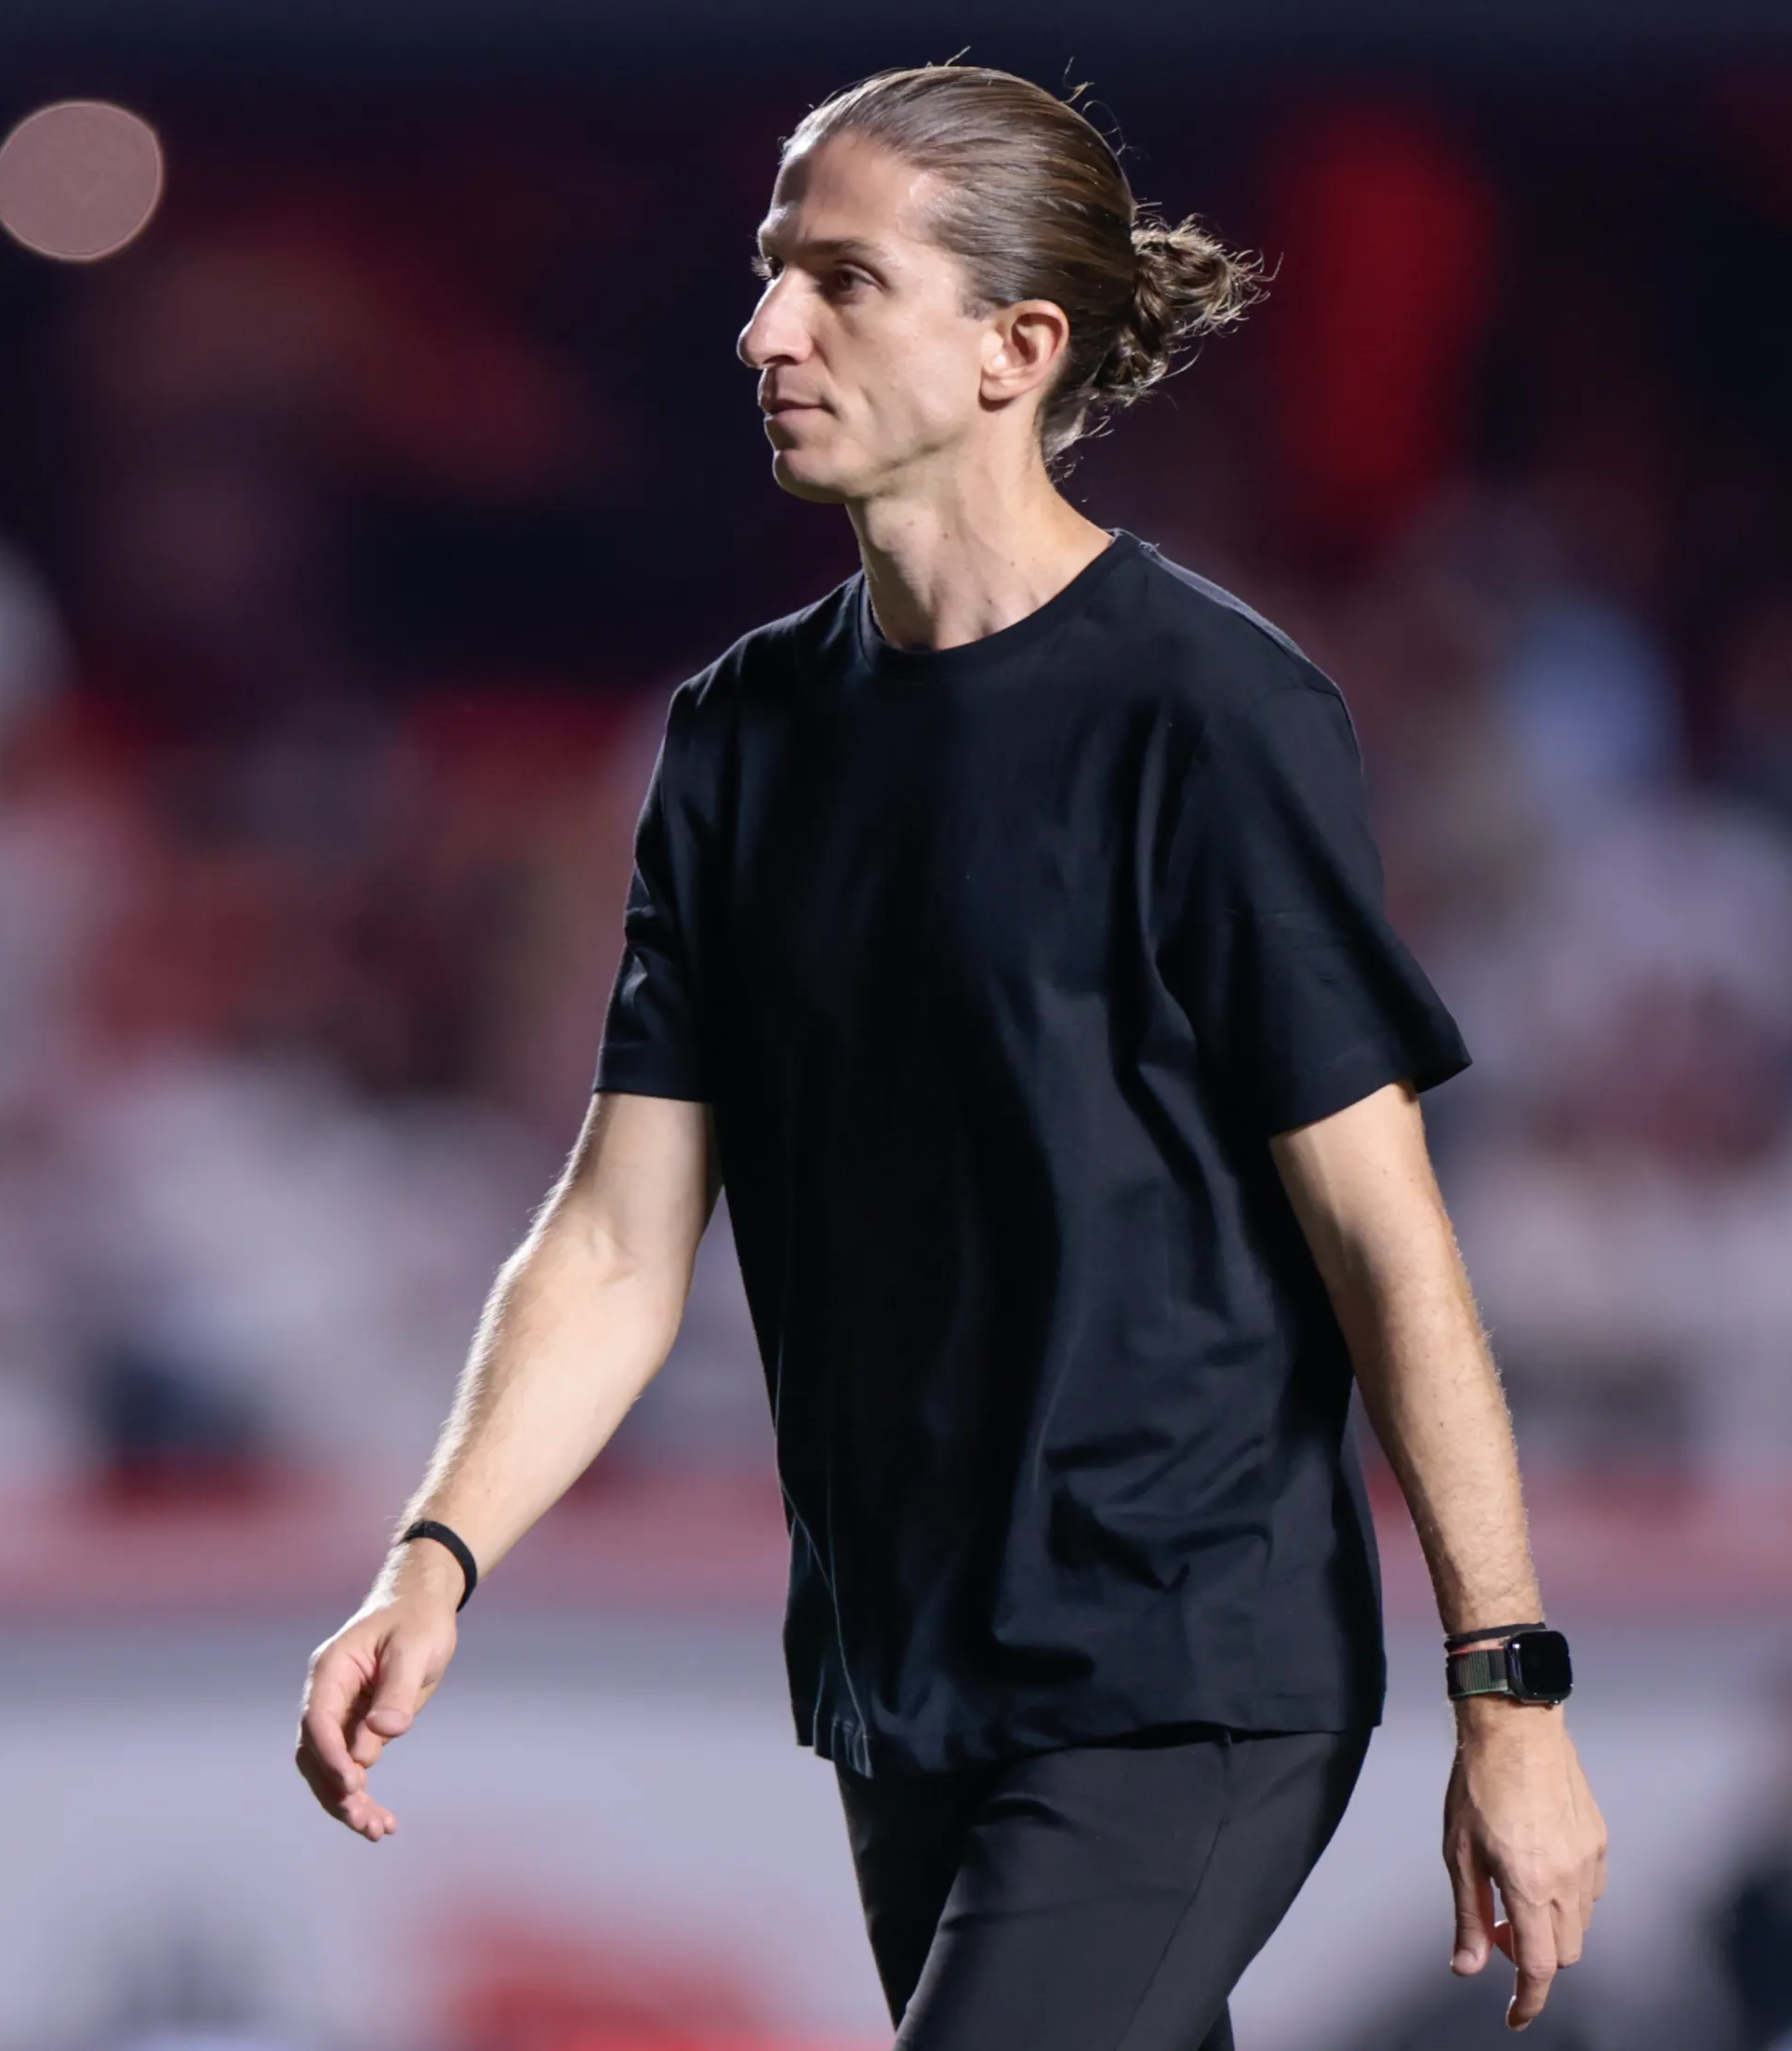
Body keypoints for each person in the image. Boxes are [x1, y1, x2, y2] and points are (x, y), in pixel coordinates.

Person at [294, 64, 1607, 2051]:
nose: (765, 331)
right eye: (766, 277)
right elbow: (622, 1240)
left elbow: (1384, 1239)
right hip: (903, 1678)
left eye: (839, 281)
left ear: (1017, 348)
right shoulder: (739, 740)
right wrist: (435, 1557)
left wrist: (1509, 1694)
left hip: (1187, 1678)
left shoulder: (1212, 714)